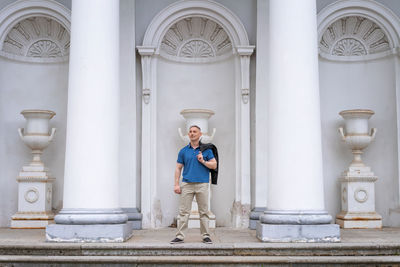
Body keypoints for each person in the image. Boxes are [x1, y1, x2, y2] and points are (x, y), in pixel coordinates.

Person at [170, 125, 217, 244]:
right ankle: (180, 236)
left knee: (204, 212)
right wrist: (176, 184)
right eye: (190, 132)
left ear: (200, 134)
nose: (192, 133)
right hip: (187, 184)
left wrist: (203, 161)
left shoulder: (207, 150)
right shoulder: (183, 151)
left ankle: (206, 236)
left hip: (202, 184)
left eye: (195, 131)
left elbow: (214, 165)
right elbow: (178, 168)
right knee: (184, 212)